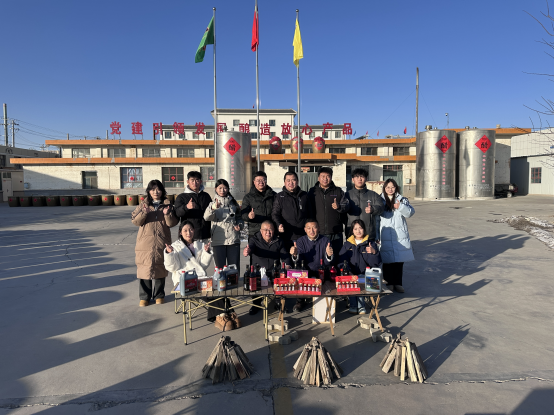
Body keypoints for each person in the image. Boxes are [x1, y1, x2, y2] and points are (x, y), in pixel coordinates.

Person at [131, 180, 178, 307]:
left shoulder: (168, 205)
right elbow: (135, 221)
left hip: (162, 241)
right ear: (149, 191)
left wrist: (167, 214)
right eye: (153, 189)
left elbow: (172, 223)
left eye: (158, 189)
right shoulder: (143, 205)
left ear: (162, 191)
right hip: (145, 243)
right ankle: (144, 297)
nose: (156, 192)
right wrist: (144, 212)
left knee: (160, 268)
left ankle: (159, 295)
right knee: (144, 269)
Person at [203, 179, 242, 327]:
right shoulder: (212, 203)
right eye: (220, 188)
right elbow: (206, 217)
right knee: (219, 273)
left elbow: (239, 218)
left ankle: (230, 300)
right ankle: (223, 305)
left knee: (233, 272)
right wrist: (213, 207)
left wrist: (239, 225)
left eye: (225, 188)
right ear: (216, 189)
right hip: (218, 241)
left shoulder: (233, 203)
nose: (223, 190)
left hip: (233, 240)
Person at [243, 220, 291, 315]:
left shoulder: (278, 241)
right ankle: (256, 304)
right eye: (265, 230)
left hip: (274, 270)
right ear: (261, 231)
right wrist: (247, 251)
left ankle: (278, 302)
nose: (268, 232)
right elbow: (250, 247)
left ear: (274, 230)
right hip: (259, 271)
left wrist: (287, 266)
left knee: (282, 276)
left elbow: (285, 255)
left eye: (270, 230)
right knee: (253, 279)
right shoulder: (254, 240)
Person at [338, 219, 382, 314]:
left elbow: (376, 263)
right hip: (351, 273)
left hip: (364, 274)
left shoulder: (370, 244)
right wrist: (348, 271)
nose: (358, 231)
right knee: (351, 280)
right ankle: (353, 305)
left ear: (364, 229)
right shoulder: (347, 244)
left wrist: (374, 252)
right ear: (352, 231)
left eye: (360, 228)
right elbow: (342, 260)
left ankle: (361, 306)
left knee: (361, 280)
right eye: (355, 229)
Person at [290, 219, 334, 312]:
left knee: (329, 269)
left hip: (321, 270)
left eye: (314, 227)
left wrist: (329, 256)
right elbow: (298, 261)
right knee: (298, 270)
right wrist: (295, 255)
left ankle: (325, 300)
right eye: (309, 228)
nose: (312, 231)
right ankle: (300, 301)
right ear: (305, 229)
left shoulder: (325, 240)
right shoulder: (300, 241)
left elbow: (328, 262)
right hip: (306, 270)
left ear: (319, 228)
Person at [379, 179, 415, 293]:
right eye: (388, 187)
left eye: (392, 187)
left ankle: (398, 283)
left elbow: (410, 213)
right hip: (385, 234)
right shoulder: (380, 200)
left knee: (399, 261)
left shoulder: (402, 199)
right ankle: (389, 283)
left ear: (396, 188)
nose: (390, 189)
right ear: (384, 188)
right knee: (387, 260)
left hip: (400, 234)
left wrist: (400, 207)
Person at [307, 167, 349, 256]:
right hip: (319, 232)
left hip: (336, 232)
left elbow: (346, 205)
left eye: (328, 176)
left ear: (331, 177)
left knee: (337, 257)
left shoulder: (338, 191)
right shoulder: (312, 192)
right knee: (320, 257)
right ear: (318, 178)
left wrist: (339, 206)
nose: (325, 179)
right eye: (323, 176)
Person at [164, 221, 213, 286]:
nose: (188, 233)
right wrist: (169, 253)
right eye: (185, 230)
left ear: (194, 230)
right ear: (180, 232)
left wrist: (206, 252)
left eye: (191, 230)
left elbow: (203, 265)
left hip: (199, 278)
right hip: (183, 280)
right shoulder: (175, 247)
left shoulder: (200, 245)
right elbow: (172, 268)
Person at [272, 171, 310, 249]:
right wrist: (279, 224)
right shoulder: (279, 197)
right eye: (288, 180)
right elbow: (275, 214)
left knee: (303, 256)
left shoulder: (304, 195)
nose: (291, 183)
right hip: (286, 236)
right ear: (284, 182)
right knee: (287, 256)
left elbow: (310, 214)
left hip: (303, 235)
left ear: (297, 181)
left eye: (293, 180)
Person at [345, 167, 384, 240]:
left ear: (366, 179)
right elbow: (342, 213)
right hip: (351, 234)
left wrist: (373, 209)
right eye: (357, 177)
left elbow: (381, 208)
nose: (359, 179)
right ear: (352, 179)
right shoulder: (346, 195)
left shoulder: (373, 195)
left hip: (369, 234)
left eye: (362, 177)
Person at [174, 171, 213, 242]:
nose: (195, 183)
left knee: (205, 250)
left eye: (197, 180)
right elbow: (177, 213)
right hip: (189, 235)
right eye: (192, 180)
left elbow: (210, 214)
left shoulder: (206, 196)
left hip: (205, 234)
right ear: (188, 182)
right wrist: (186, 207)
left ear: (200, 181)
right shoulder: (182, 197)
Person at [241, 171, 276, 239]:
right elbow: (243, 214)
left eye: (263, 180)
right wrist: (249, 216)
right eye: (258, 180)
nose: (261, 182)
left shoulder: (274, 195)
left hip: (270, 232)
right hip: (255, 232)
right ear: (254, 182)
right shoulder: (248, 197)